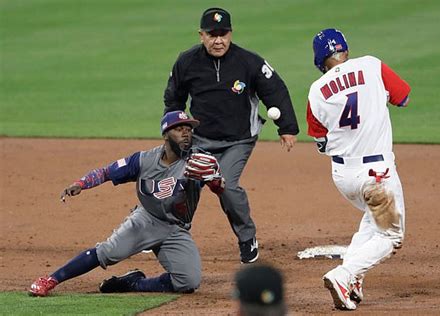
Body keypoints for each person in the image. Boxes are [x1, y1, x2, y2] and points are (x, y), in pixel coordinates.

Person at [29, 110, 225, 297]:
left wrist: (215, 182)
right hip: (146, 219)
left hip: (176, 228)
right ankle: (50, 280)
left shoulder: (198, 161)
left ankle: (133, 283)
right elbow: (107, 172)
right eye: (179, 129)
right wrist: (82, 183)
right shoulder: (143, 160)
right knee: (108, 252)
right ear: (166, 135)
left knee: (188, 282)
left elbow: (219, 188)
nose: (186, 133)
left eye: (189, 129)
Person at [164, 7, 299, 264]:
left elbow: (275, 89)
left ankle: (247, 238)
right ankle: (171, 230)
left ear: (231, 33)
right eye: (212, 34)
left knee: (225, 184)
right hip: (199, 140)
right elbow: (174, 99)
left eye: (223, 34)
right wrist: (172, 129)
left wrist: (287, 128)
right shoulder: (187, 61)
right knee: (186, 180)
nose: (218, 40)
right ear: (201, 35)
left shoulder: (248, 62)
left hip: (239, 140)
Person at [306, 29, 411, 310]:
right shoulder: (371, 65)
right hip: (376, 174)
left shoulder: (316, 91)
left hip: (343, 176)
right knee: (391, 235)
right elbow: (403, 98)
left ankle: (352, 279)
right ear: (345, 51)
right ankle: (344, 274)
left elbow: (320, 140)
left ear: (319, 61)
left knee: (371, 217)